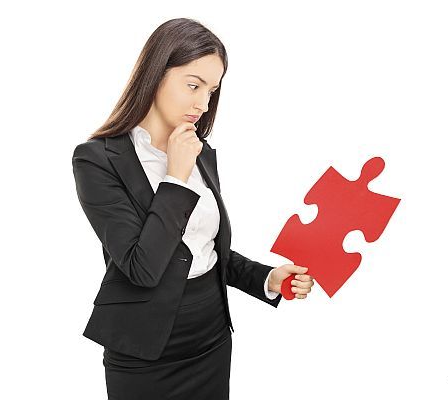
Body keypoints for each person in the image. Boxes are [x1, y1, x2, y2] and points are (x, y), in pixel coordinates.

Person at [71, 17, 315, 400]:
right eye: (193, 85)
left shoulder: (199, 151)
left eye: (212, 90)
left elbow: (203, 249)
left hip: (211, 338)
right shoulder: (98, 160)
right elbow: (141, 265)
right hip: (144, 351)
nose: (203, 104)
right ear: (155, 74)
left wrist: (267, 278)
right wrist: (176, 177)